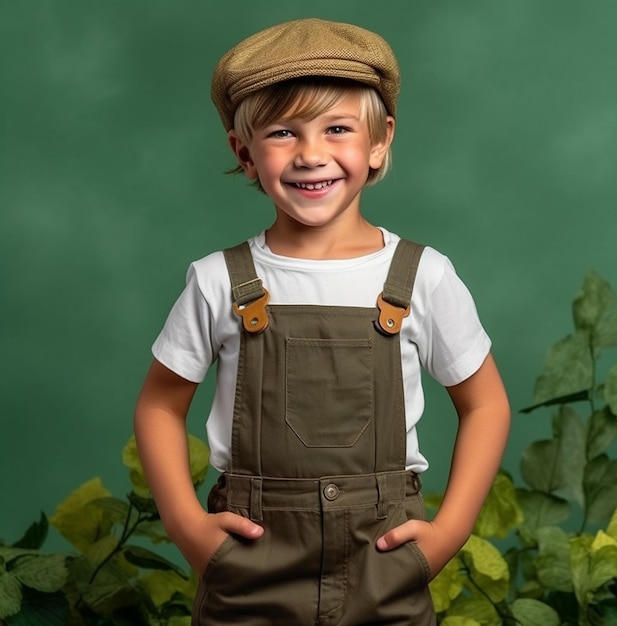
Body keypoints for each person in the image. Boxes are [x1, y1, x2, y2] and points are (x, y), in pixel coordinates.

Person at [134, 17, 510, 625]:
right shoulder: (217, 281)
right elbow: (158, 405)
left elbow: (486, 405)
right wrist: (190, 530)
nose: (311, 154)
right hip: (251, 566)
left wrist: (446, 535)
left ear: (380, 140)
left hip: (384, 563)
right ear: (244, 152)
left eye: (337, 129)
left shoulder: (423, 276)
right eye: (283, 133)